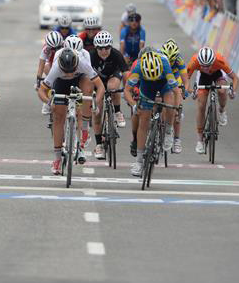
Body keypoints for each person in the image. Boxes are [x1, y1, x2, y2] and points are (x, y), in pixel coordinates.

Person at [38, 48, 104, 174]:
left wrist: (95, 103)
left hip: (80, 80)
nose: (68, 74)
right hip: (61, 83)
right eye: (65, 71)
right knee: (58, 117)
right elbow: (41, 91)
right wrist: (48, 102)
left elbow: (100, 86)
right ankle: (57, 159)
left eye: (71, 71)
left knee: (88, 86)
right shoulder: (56, 67)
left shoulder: (83, 64)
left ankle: (83, 130)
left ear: (76, 64)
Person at [125, 51, 178, 177]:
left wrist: (177, 109)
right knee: (144, 122)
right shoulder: (138, 67)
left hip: (164, 84)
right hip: (147, 86)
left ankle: (169, 131)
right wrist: (133, 105)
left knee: (170, 104)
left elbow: (176, 92)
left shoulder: (165, 64)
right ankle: (138, 161)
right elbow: (127, 91)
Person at [186, 47, 239, 154]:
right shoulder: (194, 61)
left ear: (213, 61)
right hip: (203, 77)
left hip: (218, 73)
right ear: (199, 62)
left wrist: (233, 91)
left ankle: (222, 110)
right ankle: (200, 140)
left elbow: (235, 78)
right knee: (201, 106)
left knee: (221, 91)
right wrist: (191, 91)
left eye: (208, 65)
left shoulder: (219, 60)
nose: (206, 68)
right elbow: (185, 79)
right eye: (203, 66)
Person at [90, 31, 129, 159]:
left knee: (113, 88)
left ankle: (117, 112)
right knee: (97, 113)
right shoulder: (91, 56)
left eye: (107, 47)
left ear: (111, 47)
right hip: (97, 82)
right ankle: (99, 145)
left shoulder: (116, 54)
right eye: (100, 48)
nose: (104, 51)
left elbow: (126, 73)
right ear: (96, 48)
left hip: (113, 77)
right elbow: (85, 76)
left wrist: (127, 90)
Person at [160, 39, 189, 153]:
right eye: (168, 60)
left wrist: (185, 91)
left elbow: (185, 80)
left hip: (175, 80)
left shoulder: (179, 60)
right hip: (162, 79)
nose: (170, 63)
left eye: (172, 60)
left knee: (177, 111)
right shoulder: (159, 57)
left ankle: (177, 139)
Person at [36, 31, 64, 115]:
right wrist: (38, 80)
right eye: (53, 48)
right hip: (51, 63)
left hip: (62, 62)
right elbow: (41, 66)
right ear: (48, 46)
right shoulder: (45, 49)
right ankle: (47, 101)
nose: (55, 50)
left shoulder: (65, 45)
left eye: (58, 48)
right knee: (48, 70)